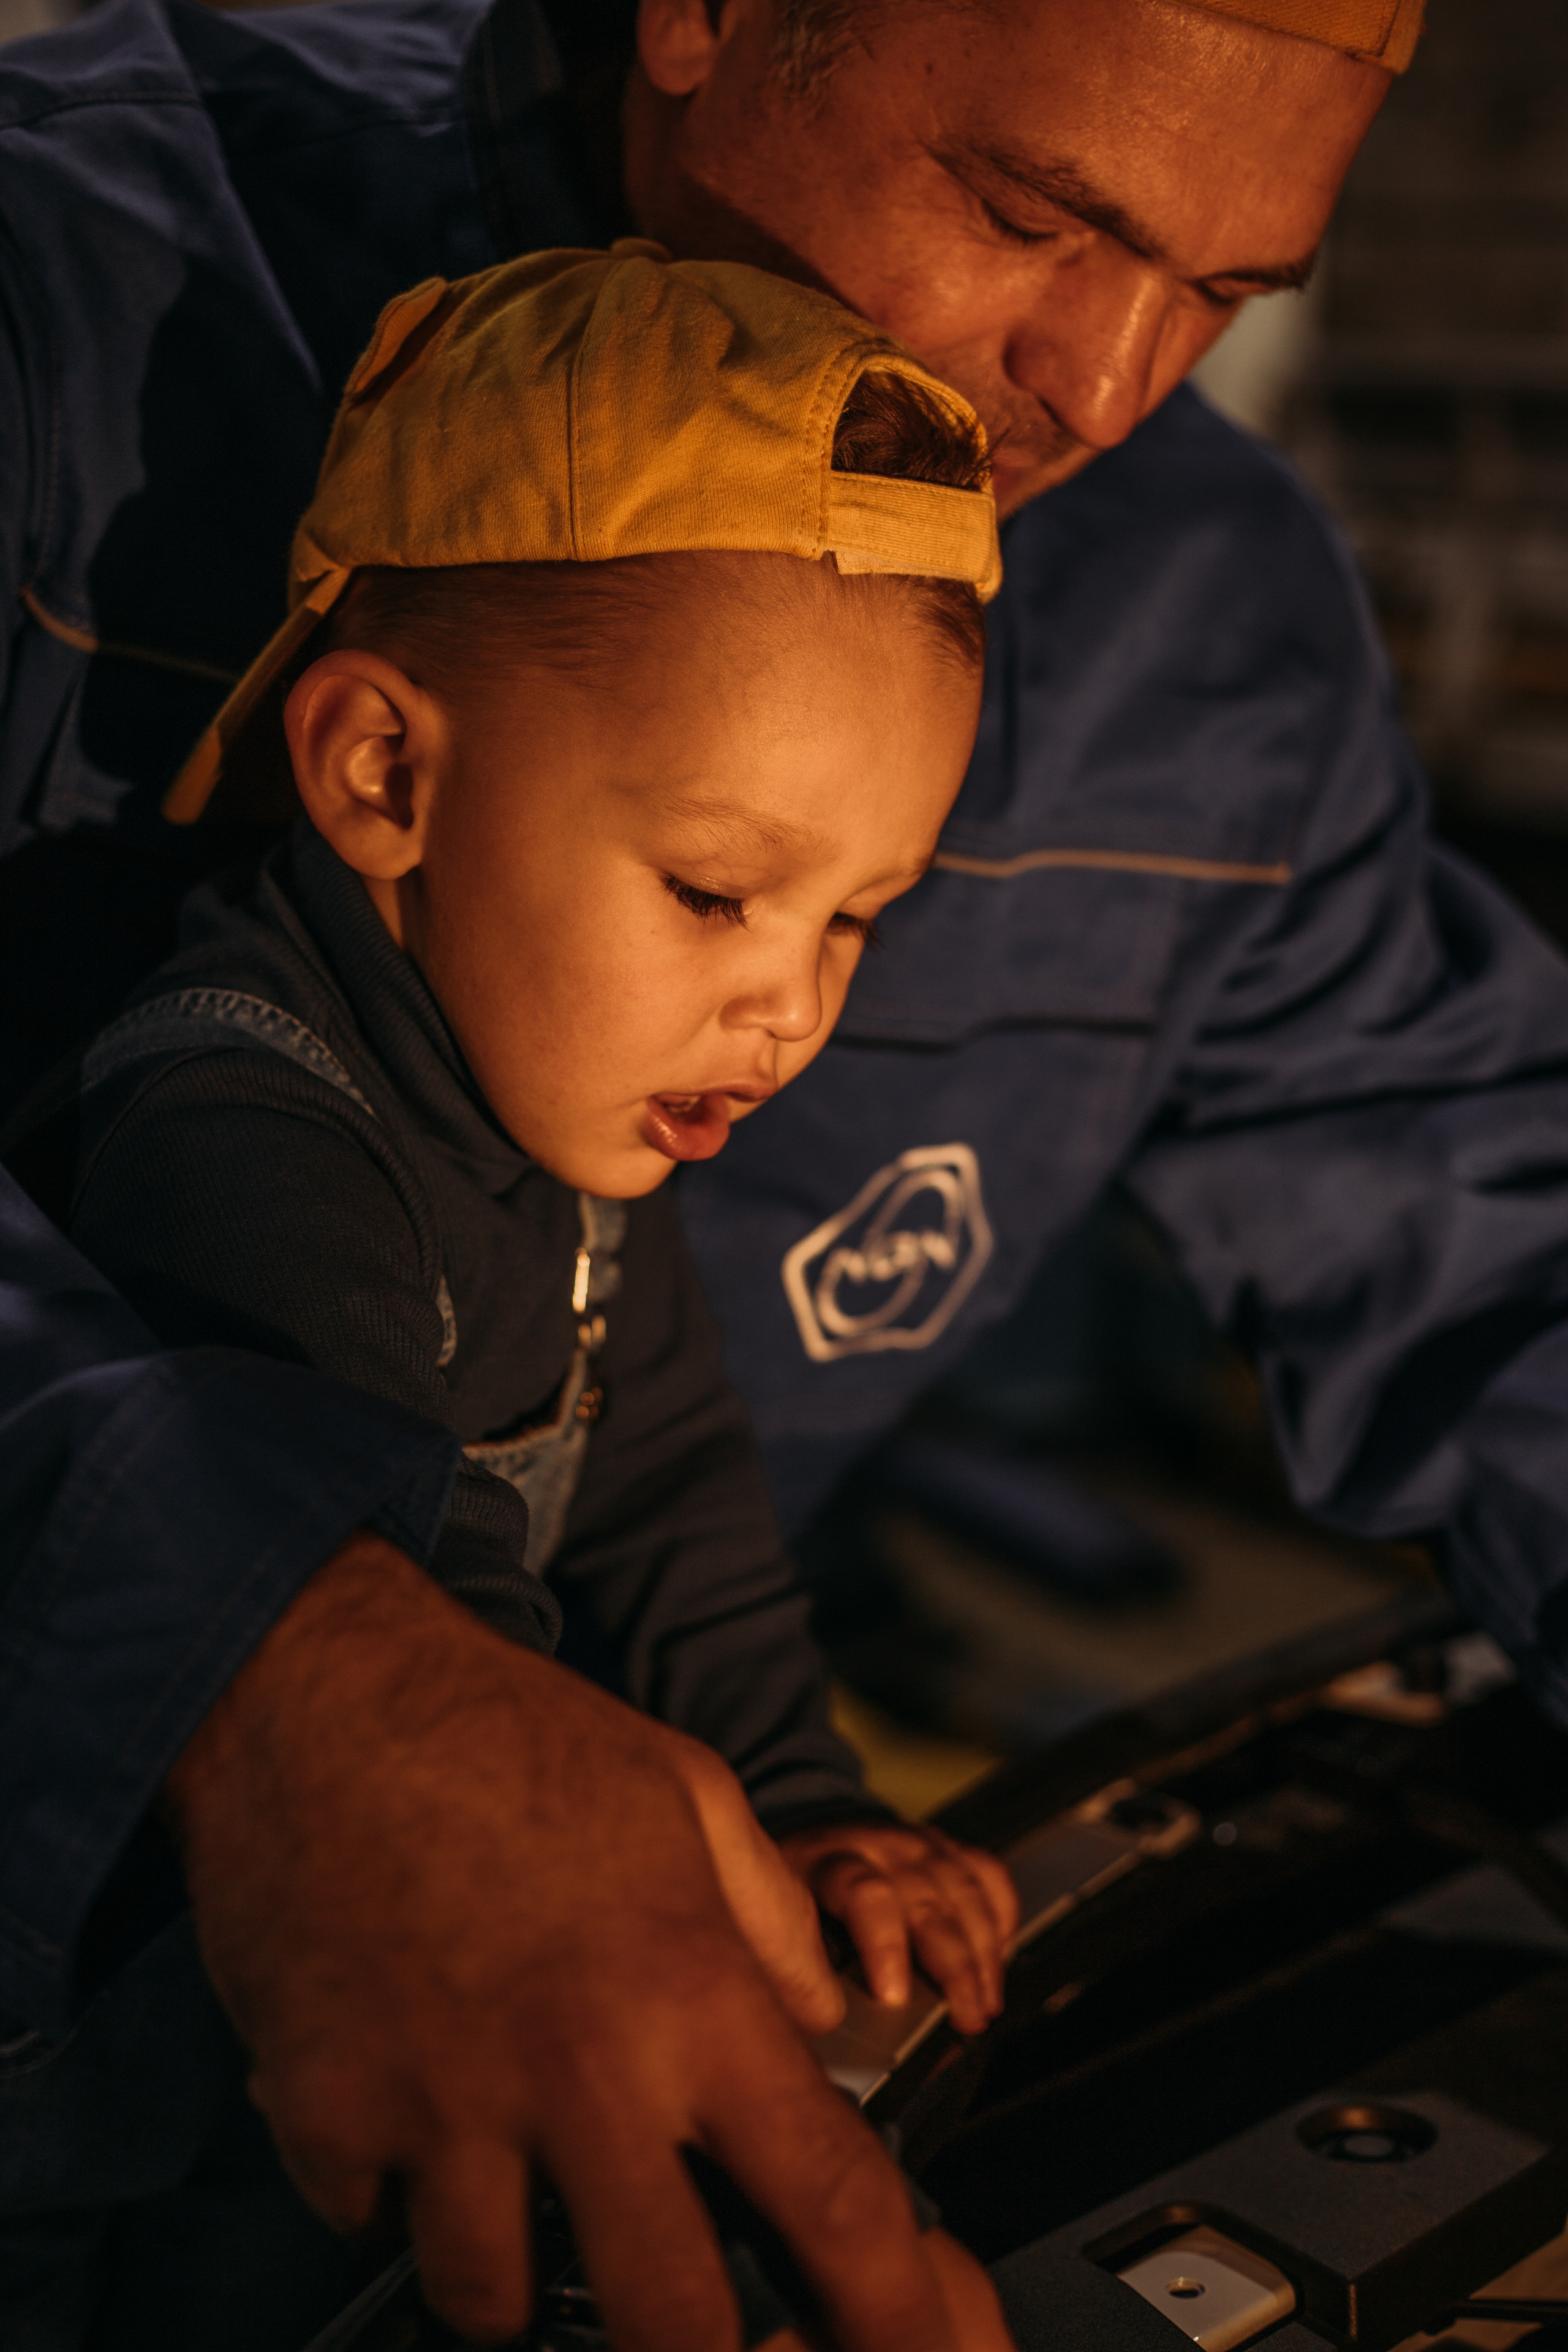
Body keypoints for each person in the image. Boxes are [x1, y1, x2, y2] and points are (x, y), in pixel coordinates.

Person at [12, 0, 1568, 2342]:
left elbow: (1495, 1232)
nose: (1111, 387)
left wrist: (787, 1786)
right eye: (1029, 213)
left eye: (1232, 294)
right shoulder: (67, 325)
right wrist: (276, 1650)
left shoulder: (1217, 645)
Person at [8, 241, 1019, 2345]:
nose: (789, 1008)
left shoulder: (564, 1120)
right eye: (718, 892)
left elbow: (672, 1506)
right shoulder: (242, 1129)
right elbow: (431, 1659)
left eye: (856, 919)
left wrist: (811, 1801)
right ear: (385, 775)